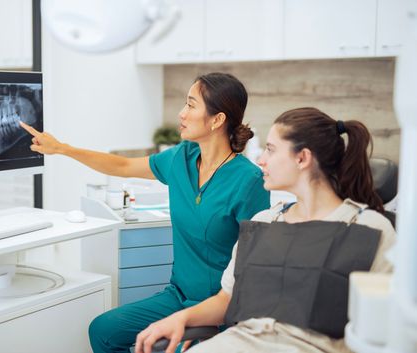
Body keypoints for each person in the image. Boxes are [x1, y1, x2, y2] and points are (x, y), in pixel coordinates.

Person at [20, 72, 270, 353]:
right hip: (178, 296)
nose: (181, 113)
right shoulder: (182, 157)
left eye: (190, 105)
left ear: (217, 120)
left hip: (221, 309)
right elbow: (123, 167)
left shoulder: (249, 181)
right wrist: (62, 149)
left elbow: (258, 269)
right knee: (103, 331)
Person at [135, 107, 396, 353]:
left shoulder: (368, 229)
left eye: (270, 150)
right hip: (236, 343)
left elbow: (390, 326)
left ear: (302, 158)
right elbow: (227, 299)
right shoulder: (264, 222)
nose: (261, 160)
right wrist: (180, 318)